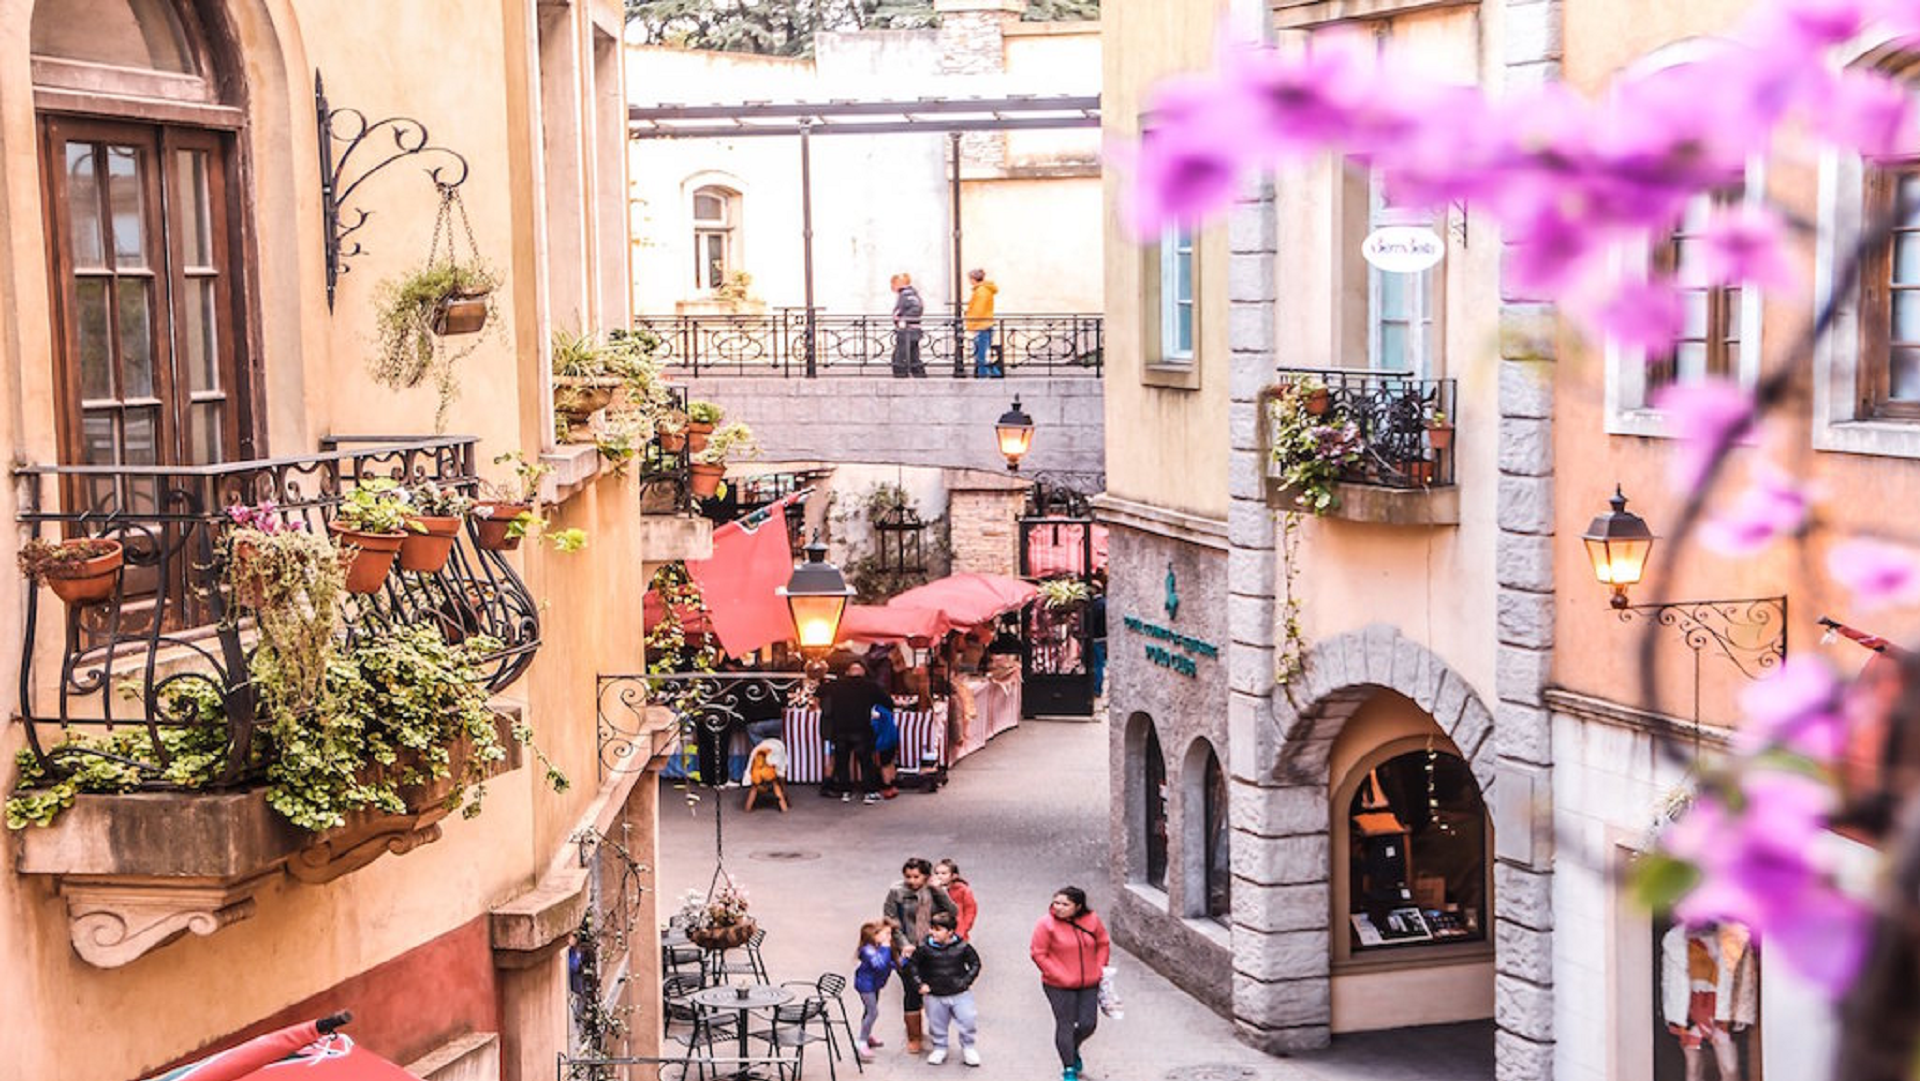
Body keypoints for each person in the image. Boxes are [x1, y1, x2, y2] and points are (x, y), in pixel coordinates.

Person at [1030, 886, 1110, 1081]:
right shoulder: (1046, 925)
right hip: (1058, 984)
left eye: (1065, 904)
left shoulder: (1092, 920)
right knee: (1065, 1024)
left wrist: (1099, 967)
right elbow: (1038, 953)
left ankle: (1072, 1049)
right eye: (1056, 902)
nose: (1058, 907)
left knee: (1088, 1024)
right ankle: (1068, 1068)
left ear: (1078, 906)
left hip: (1089, 981)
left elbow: (1103, 943)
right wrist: (1059, 975)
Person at [1662, 922, 1756, 1081]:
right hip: (1691, 1009)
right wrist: (1672, 1014)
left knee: (1730, 1068)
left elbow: (1746, 980)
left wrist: (1743, 1014)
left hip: (1721, 1008)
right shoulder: (1675, 940)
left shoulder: (1734, 937)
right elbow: (1669, 980)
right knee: (1693, 1068)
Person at [883, 857, 959, 1053]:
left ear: (926, 876)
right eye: (908, 876)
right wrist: (903, 944)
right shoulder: (897, 891)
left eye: (916, 877)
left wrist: (938, 890)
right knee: (912, 990)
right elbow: (890, 920)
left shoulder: (932, 890)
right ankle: (914, 1036)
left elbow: (952, 912)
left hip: (930, 948)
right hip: (907, 949)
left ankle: (936, 1030)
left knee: (931, 988)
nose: (912, 881)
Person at [901, 910, 983, 1067]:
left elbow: (975, 963)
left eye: (938, 929)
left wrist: (966, 981)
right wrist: (919, 984)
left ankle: (968, 1047)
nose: (933, 932)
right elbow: (913, 966)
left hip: (960, 993)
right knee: (937, 1023)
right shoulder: (924, 948)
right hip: (935, 994)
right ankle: (940, 1047)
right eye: (932, 928)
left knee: (967, 1019)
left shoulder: (963, 947)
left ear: (950, 932)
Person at [818, 661, 890, 803]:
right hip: (861, 728)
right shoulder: (871, 686)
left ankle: (846, 791)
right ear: (863, 672)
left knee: (842, 762)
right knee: (865, 762)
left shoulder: (836, 685)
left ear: (848, 672)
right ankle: (869, 792)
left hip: (840, 729)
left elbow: (819, 691)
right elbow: (887, 702)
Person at [852, 919, 895, 1062]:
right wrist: (886, 947)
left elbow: (890, 963)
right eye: (887, 934)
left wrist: (905, 959)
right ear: (876, 936)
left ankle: (867, 1033)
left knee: (868, 1011)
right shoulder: (868, 950)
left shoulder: (877, 947)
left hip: (874, 984)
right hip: (865, 986)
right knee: (873, 1012)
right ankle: (861, 1041)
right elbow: (881, 965)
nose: (890, 937)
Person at [964, 268, 1000, 378]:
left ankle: (984, 375)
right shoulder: (984, 289)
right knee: (984, 351)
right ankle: (992, 373)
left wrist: (970, 322)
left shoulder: (981, 291)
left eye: (970, 279)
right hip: (986, 323)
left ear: (974, 279)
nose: (969, 281)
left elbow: (978, 310)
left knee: (981, 353)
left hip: (981, 325)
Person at [890, 272, 926, 378]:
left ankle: (901, 374)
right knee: (912, 354)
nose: (892, 287)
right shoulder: (909, 293)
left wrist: (902, 319)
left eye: (893, 284)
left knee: (901, 354)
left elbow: (916, 308)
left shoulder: (907, 294)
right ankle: (918, 374)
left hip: (908, 329)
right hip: (911, 329)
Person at [933, 858, 978, 938]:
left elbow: (970, 909)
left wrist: (965, 927)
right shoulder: (931, 890)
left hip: (958, 931)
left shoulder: (962, 890)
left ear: (953, 876)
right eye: (936, 873)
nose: (939, 876)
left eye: (944, 873)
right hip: (937, 931)